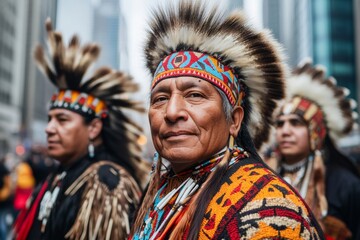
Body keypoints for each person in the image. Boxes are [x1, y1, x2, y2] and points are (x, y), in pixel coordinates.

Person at [129, 1, 324, 239]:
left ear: (234, 119)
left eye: (195, 95)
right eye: (160, 98)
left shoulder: (269, 212)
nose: (171, 112)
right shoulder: (160, 193)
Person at [12, 19, 150, 240]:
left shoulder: (105, 185)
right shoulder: (60, 174)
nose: (49, 129)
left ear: (94, 128)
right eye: (49, 119)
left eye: (62, 120)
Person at [273, 59, 360, 239]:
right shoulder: (264, 177)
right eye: (280, 124)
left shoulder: (345, 184)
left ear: (316, 132)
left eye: (296, 123)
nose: (285, 131)